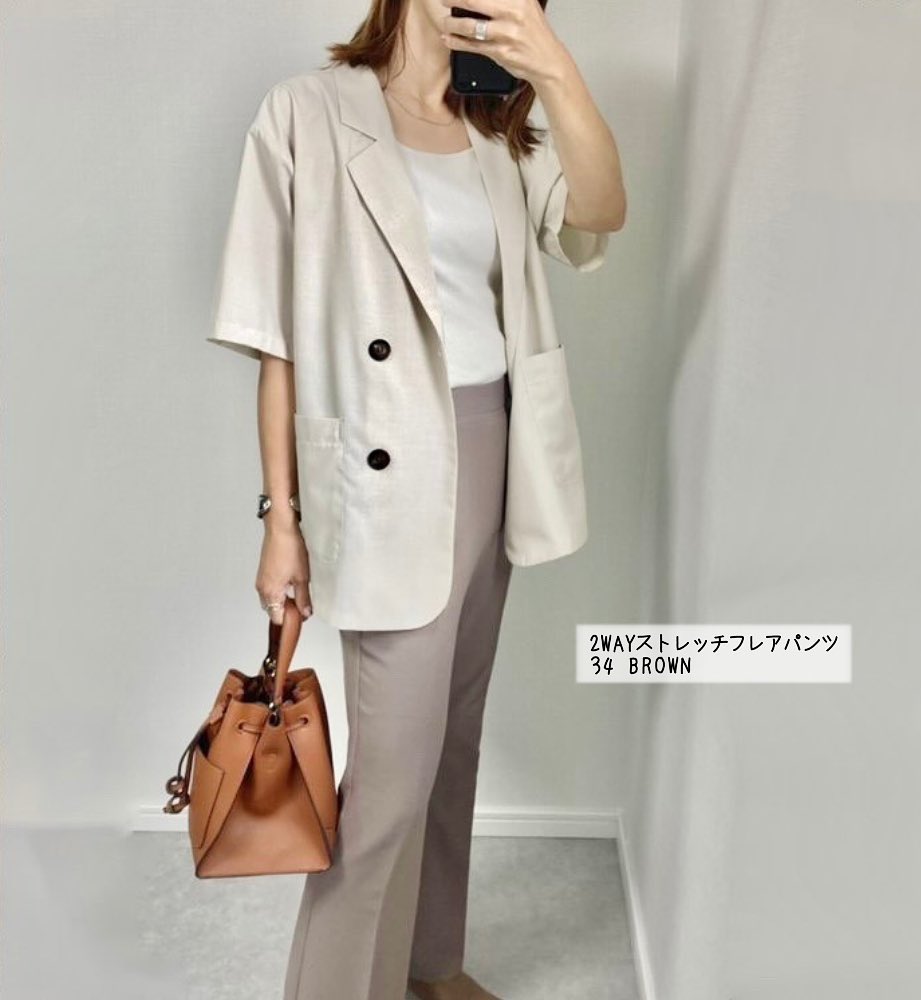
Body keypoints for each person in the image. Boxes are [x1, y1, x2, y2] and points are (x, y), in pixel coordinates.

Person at [206, 0, 625, 997]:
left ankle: (431, 967)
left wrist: (556, 70)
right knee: (389, 779)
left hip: (495, 450)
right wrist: (282, 519)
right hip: (383, 469)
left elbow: (600, 213)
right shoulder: (307, 112)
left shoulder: (499, 131)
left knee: (453, 743)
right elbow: (276, 339)